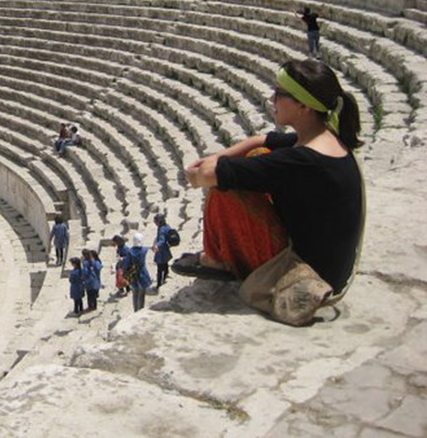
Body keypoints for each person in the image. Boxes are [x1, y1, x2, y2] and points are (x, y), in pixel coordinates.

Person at [179, 59, 364, 323]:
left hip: (303, 274)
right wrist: (216, 156)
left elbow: (206, 177)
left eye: (280, 93)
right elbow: (261, 140)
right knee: (258, 153)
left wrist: (203, 167)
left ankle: (216, 261)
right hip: (332, 269)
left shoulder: (301, 162)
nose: (271, 98)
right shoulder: (323, 138)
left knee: (225, 189)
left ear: (303, 104)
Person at [123, 233, 152, 312]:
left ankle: (135, 310)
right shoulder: (144, 250)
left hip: (133, 273)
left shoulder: (130, 252)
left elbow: (126, 264)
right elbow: (146, 247)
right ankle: (141, 310)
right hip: (143, 273)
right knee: (142, 293)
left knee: (135, 293)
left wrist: (125, 273)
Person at [152, 213, 172, 290]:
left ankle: (159, 284)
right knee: (165, 263)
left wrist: (156, 246)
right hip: (166, 249)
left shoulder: (161, 229)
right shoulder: (167, 226)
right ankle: (166, 275)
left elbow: (162, 240)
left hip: (161, 251)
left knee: (159, 269)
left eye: (156, 221)